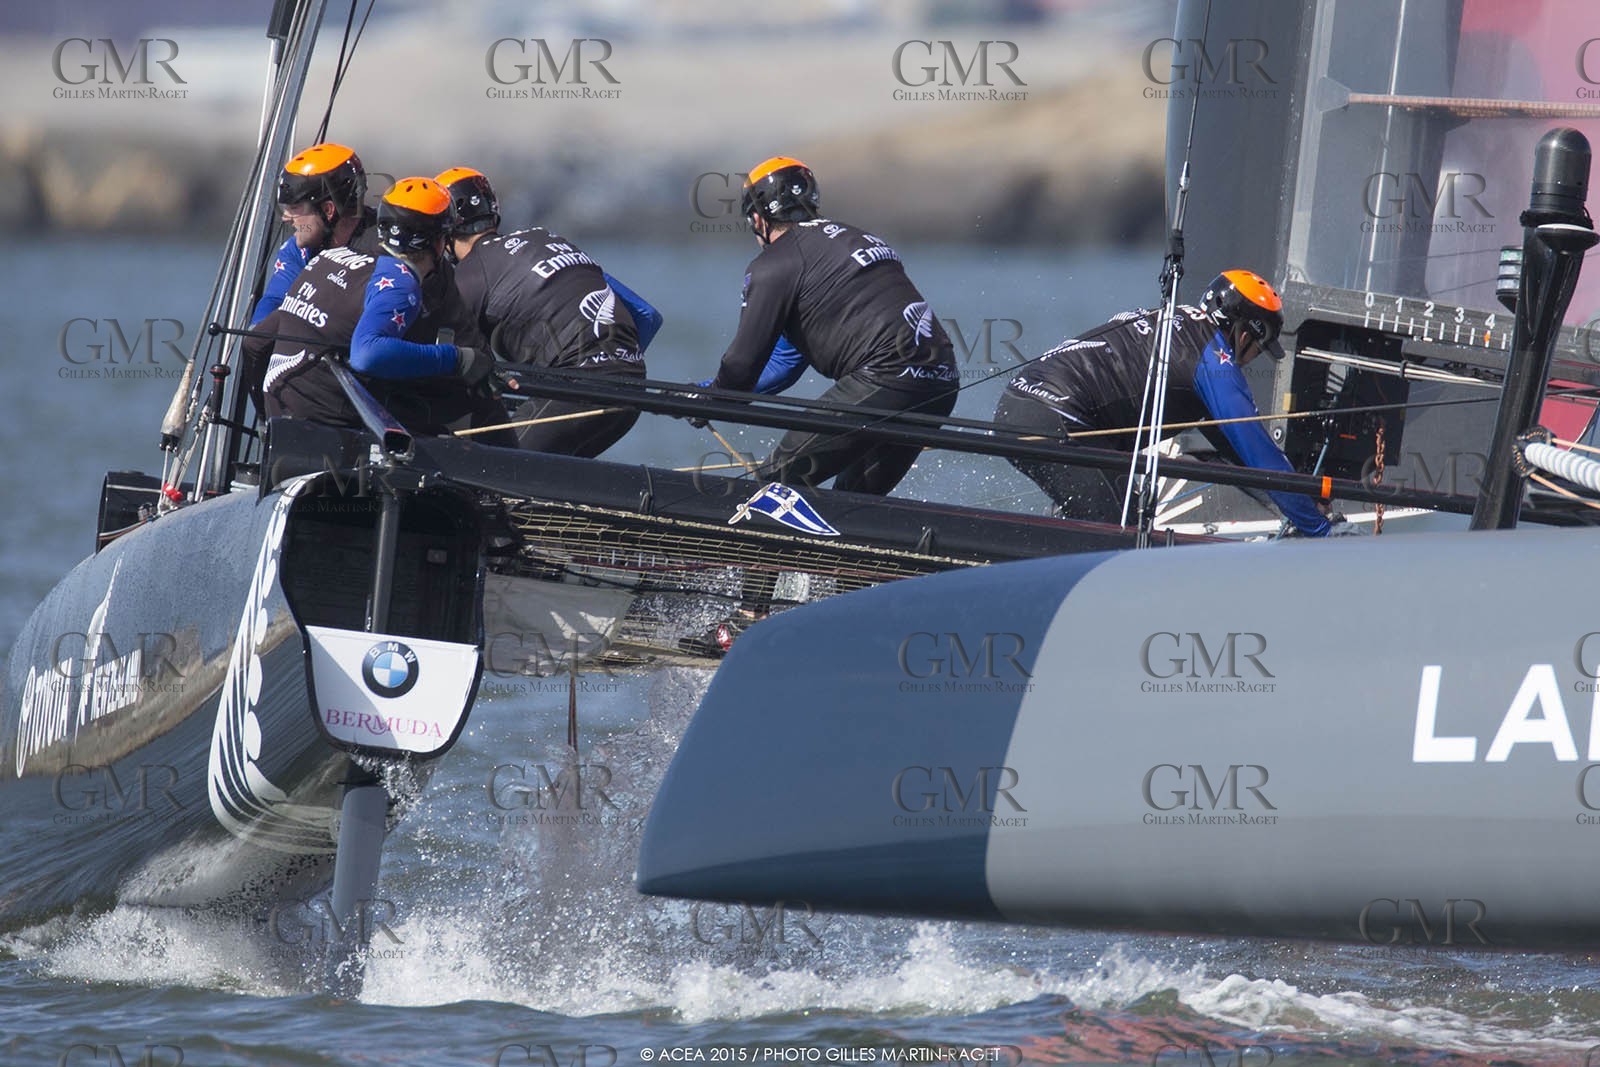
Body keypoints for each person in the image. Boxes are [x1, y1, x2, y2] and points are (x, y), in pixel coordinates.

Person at [993, 269, 1331, 537]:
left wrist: (1305, 499)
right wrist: (1320, 531)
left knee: (1128, 513)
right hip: (1056, 417)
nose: (1253, 359)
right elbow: (1260, 455)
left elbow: (1241, 456)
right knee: (1124, 536)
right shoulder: (1215, 360)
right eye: (1260, 347)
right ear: (1245, 333)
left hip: (1019, 405)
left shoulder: (1177, 323)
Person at [702, 155, 959, 494]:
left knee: (771, 489)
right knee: (855, 502)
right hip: (941, 384)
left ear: (757, 218)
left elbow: (740, 368)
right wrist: (710, 391)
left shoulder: (773, 264)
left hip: (885, 381)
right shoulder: (857, 238)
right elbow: (784, 364)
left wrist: (712, 396)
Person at [247, 177, 514, 445]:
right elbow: (368, 355)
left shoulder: (328, 259)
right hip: (329, 434)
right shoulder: (400, 281)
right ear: (438, 242)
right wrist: (457, 358)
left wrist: (263, 416)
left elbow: (255, 341)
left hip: (279, 426)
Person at [435, 166, 662, 457]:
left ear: (446, 230)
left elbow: (438, 354)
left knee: (489, 467)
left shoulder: (470, 272)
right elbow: (646, 315)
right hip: (632, 386)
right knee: (536, 483)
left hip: (580, 391)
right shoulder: (548, 239)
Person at [252, 142, 373, 325]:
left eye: (294, 207)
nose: (285, 217)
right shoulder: (296, 249)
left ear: (328, 210)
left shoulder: (385, 249)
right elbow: (274, 301)